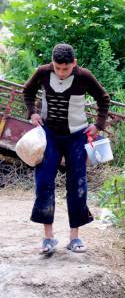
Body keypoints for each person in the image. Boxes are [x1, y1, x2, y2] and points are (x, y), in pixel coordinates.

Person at [23, 43, 110, 255]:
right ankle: (48, 238)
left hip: (76, 137)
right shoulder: (43, 72)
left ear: (74, 64)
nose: (62, 73)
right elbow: (28, 91)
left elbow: (103, 99)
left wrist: (98, 125)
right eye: (58, 68)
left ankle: (75, 237)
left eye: (66, 68)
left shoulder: (84, 76)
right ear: (52, 63)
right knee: (44, 182)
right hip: (49, 136)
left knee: (77, 184)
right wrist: (32, 112)